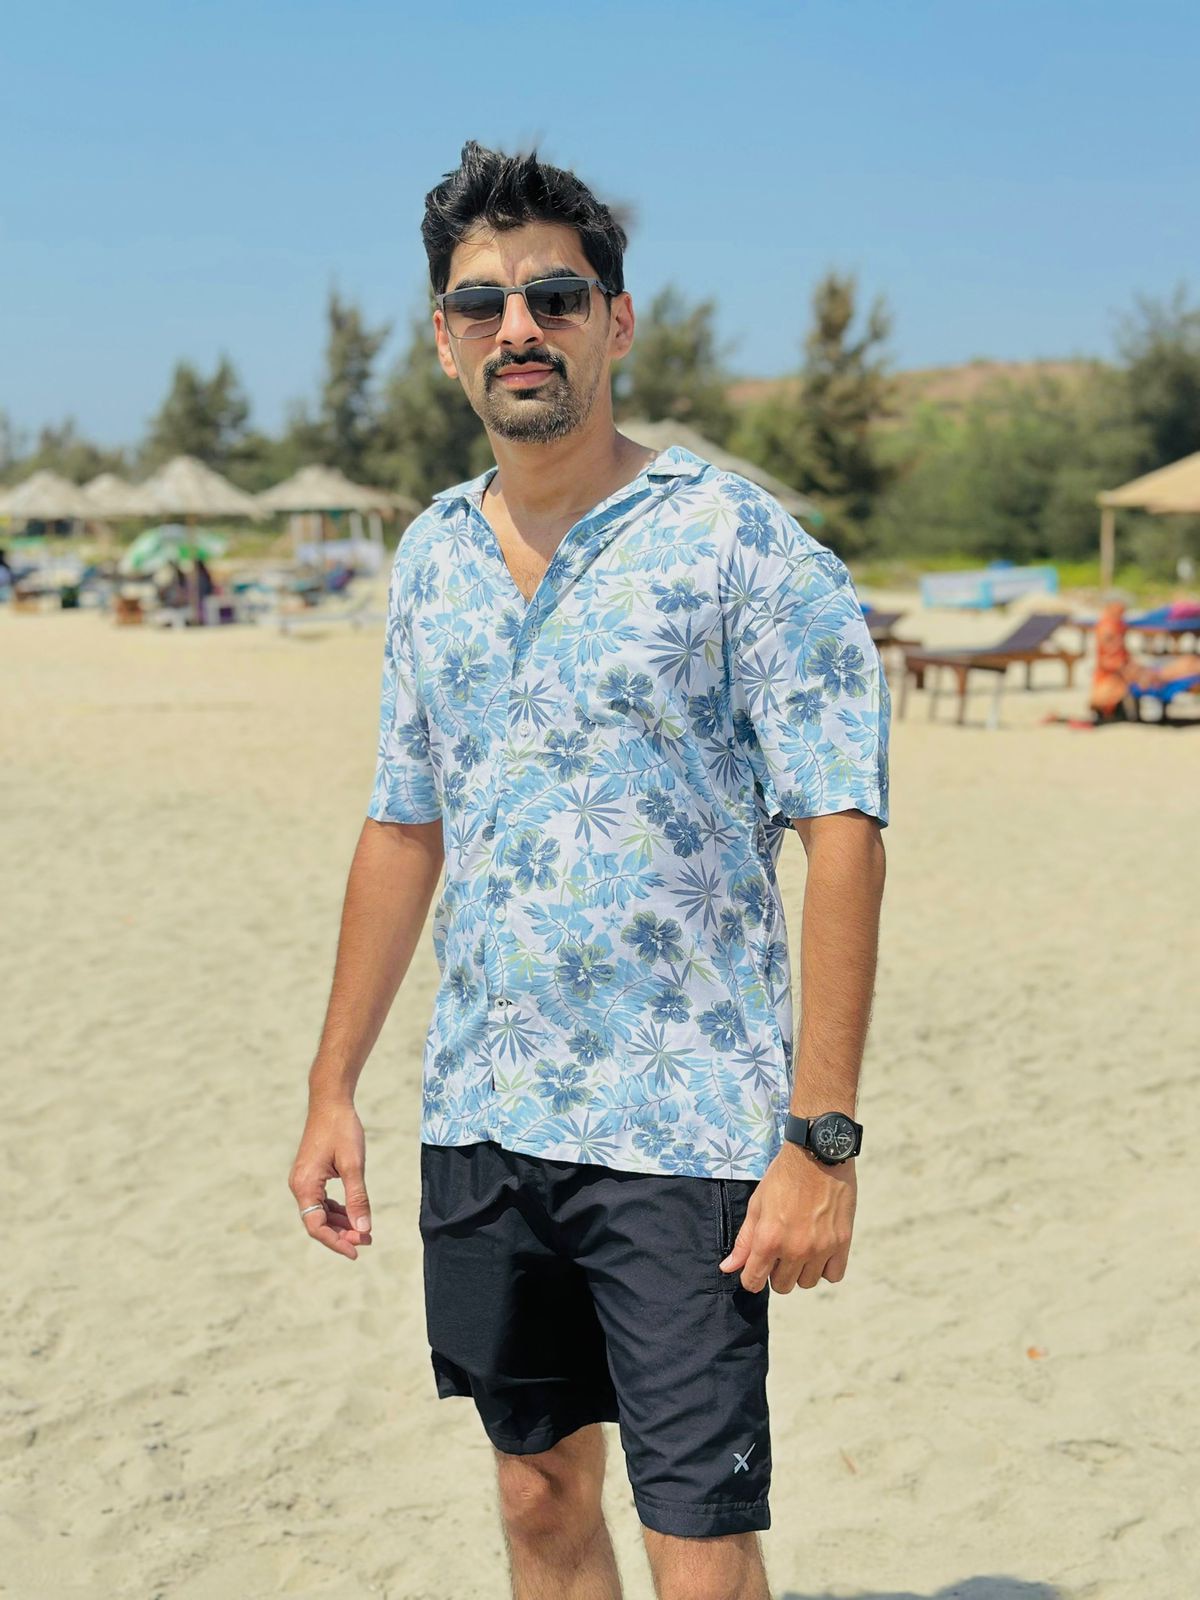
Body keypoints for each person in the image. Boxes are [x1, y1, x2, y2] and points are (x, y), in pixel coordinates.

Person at [288, 141, 889, 1600]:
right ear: (444, 340)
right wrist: (332, 1087)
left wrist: (821, 1140)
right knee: (536, 1490)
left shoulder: (735, 541)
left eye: (555, 297)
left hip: (682, 1127)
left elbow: (844, 828)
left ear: (616, 322)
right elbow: (404, 824)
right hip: (485, 1112)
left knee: (697, 1531)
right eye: (481, 304)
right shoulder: (431, 556)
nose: (520, 328)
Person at [1089, 600, 1200, 720]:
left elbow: (1121, 662)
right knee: (1185, 664)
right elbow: (1115, 662)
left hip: (1134, 673)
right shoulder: (1108, 632)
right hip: (1124, 676)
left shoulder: (1111, 633)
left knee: (1186, 664)